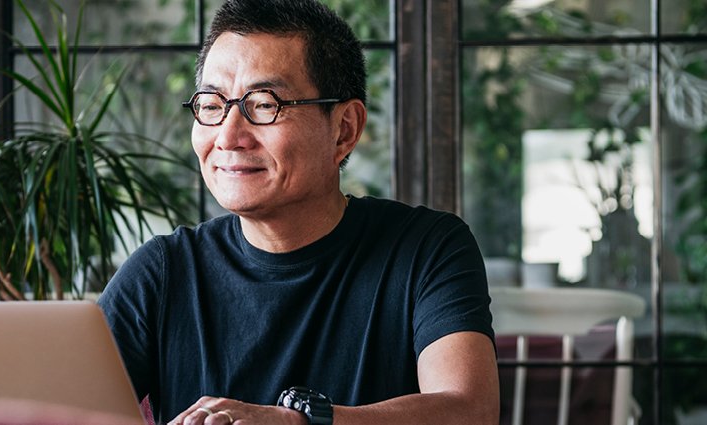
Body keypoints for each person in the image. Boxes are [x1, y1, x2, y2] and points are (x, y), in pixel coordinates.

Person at [97, 0, 499, 424]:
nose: (229, 136)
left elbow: (469, 409)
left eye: (265, 104)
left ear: (344, 129)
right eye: (213, 105)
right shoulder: (162, 273)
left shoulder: (426, 248)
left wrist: (299, 421)